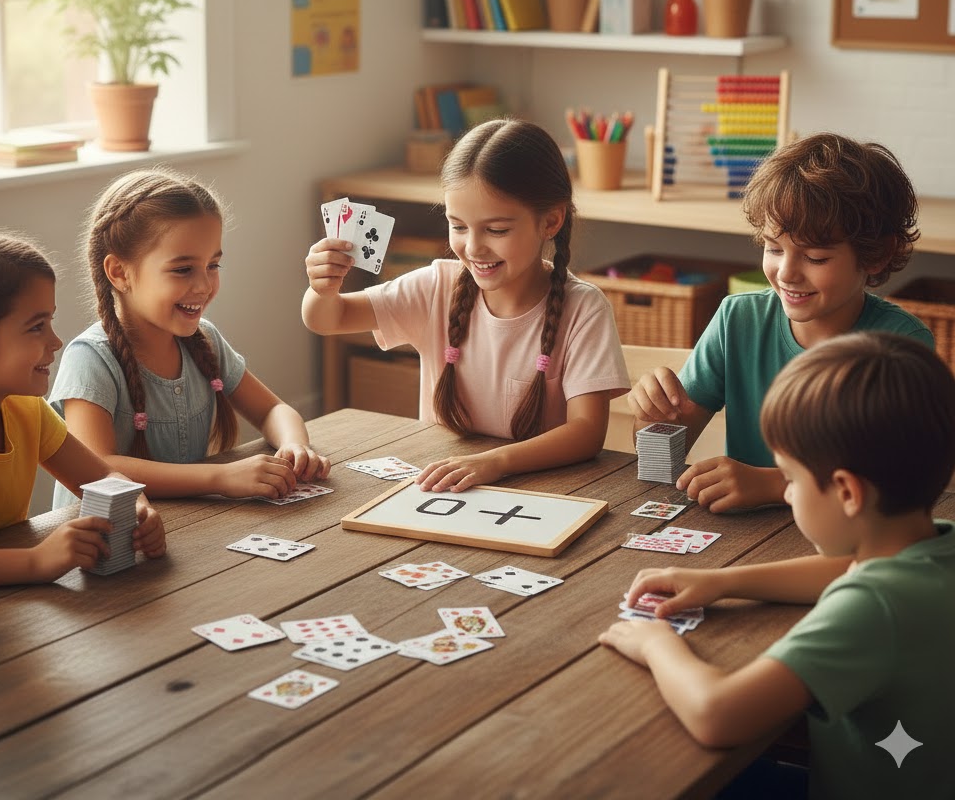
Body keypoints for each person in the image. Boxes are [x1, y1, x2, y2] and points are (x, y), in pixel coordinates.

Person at [600, 332, 955, 799]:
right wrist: (718, 582)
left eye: (790, 478)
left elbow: (718, 715)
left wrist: (656, 644)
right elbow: (847, 568)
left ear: (848, 492)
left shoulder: (873, 606)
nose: (786, 492)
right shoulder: (935, 542)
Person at [303, 117, 629, 492]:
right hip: (442, 486)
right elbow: (328, 319)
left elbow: (586, 433)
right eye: (458, 226)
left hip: (546, 490)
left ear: (551, 221)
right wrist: (322, 289)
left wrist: (494, 463)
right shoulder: (436, 285)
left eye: (496, 230)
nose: (473, 248)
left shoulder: (584, 309)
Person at [628, 132, 932, 512]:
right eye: (773, 248)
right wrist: (652, 418)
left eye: (816, 258)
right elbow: (662, 452)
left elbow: (898, 479)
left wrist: (776, 485)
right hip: (744, 535)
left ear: (876, 255)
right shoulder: (737, 319)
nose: (786, 273)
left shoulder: (902, 344)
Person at [50, 168, 329, 509]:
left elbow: (272, 409)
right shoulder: (90, 359)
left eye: (213, 265)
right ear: (120, 272)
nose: (204, 285)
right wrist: (221, 478)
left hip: (185, 530)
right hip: (101, 544)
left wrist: (294, 444)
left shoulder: (204, 340)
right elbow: (100, 469)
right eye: (183, 269)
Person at [0, 230, 166, 590]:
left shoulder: (26, 409)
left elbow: (102, 477)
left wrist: (136, 507)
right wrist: (36, 561)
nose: (56, 341)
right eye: (37, 327)